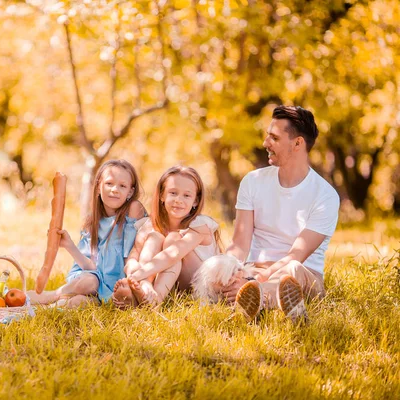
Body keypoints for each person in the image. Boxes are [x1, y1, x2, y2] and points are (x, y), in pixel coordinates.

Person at [221, 105, 340, 322]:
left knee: (292, 269)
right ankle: (283, 308)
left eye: (274, 138)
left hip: (304, 276)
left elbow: (296, 255)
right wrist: (232, 274)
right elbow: (239, 245)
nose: (265, 143)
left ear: (297, 143)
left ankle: (253, 303)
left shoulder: (325, 196)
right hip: (253, 271)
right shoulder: (253, 181)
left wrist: (254, 282)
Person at [27, 159, 146, 308]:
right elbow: (90, 266)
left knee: (78, 303)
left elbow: (131, 254)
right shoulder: (92, 222)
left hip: (121, 285)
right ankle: (52, 297)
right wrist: (69, 244)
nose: (115, 189)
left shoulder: (133, 210)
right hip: (94, 280)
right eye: (109, 183)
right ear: (98, 187)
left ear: (130, 192)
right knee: (89, 282)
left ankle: (55, 301)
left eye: (122, 186)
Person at [112, 166, 223, 308]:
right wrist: (132, 267)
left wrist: (138, 275)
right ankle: (144, 291)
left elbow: (173, 254)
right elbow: (134, 254)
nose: (178, 200)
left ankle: (155, 299)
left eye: (186, 195)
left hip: (200, 286)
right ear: (162, 196)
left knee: (172, 239)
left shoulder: (201, 226)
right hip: (171, 286)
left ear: (195, 201)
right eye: (173, 193)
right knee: (154, 237)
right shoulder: (150, 225)